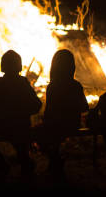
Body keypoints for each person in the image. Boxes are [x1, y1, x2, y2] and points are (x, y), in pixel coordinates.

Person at [0, 50, 42, 180]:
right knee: (20, 141)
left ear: (3, 66)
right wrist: (23, 111)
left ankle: (1, 164)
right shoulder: (23, 83)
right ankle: (26, 164)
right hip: (22, 125)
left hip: (2, 124)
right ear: (19, 66)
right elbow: (36, 105)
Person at [38, 49, 89, 180]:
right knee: (50, 133)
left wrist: (45, 120)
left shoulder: (52, 87)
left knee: (36, 133)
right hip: (73, 124)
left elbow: (49, 111)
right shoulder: (76, 85)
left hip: (55, 124)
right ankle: (55, 162)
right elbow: (84, 107)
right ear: (72, 67)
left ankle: (55, 159)